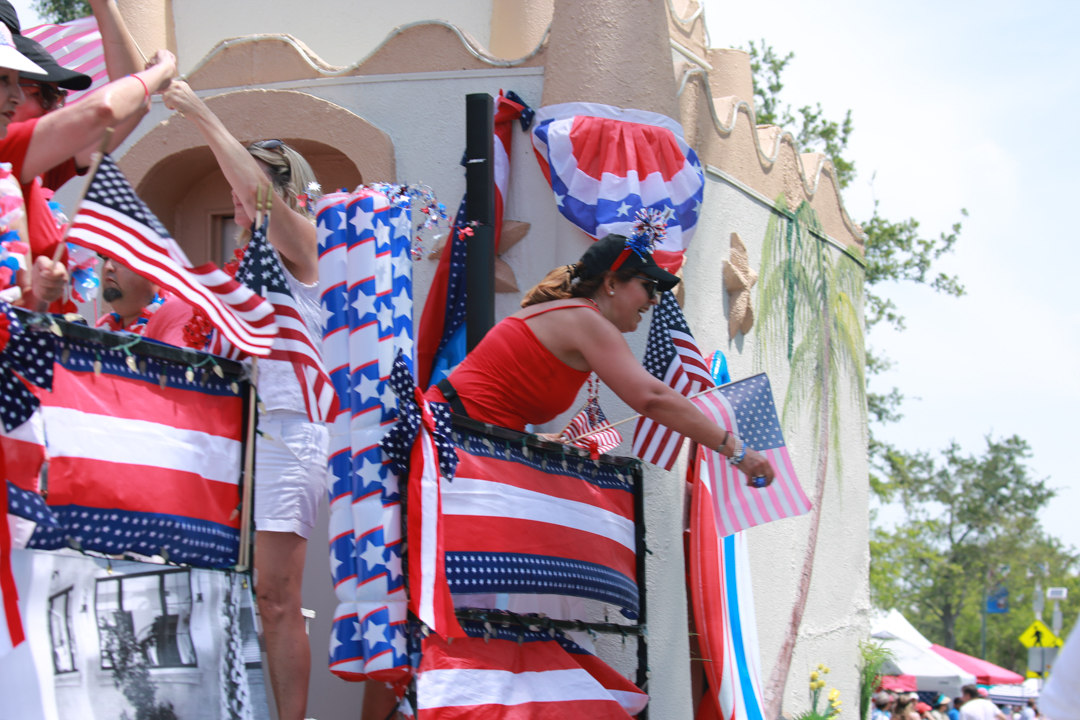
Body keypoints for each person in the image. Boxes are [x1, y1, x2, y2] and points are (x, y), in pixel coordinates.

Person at [161, 80, 327, 720]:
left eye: (243, 192)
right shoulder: (241, 273)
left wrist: (199, 111)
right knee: (227, 589)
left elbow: (259, 196)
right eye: (230, 197)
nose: (237, 207)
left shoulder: (304, 244)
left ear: (285, 193)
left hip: (287, 427)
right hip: (230, 434)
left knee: (275, 596)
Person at [426, 233, 776, 482]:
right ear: (611, 283)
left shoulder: (577, 318)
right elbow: (653, 399)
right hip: (448, 437)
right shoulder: (587, 320)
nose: (655, 300)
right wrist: (736, 450)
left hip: (466, 439)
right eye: (649, 286)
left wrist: (539, 440)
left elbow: (499, 401)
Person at [0, 0, 176, 313]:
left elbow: (131, 107)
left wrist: (104, 6)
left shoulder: (33, 170)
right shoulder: (9, 150)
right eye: (46, 94)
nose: (58, 108)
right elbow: (103, 110)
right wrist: (160, 73)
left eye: (61, 97)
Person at [94, 254, 195, 346]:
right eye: (105, 258)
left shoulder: (177, 311)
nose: (108, 267)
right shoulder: (104, 323)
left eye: (120, 258)